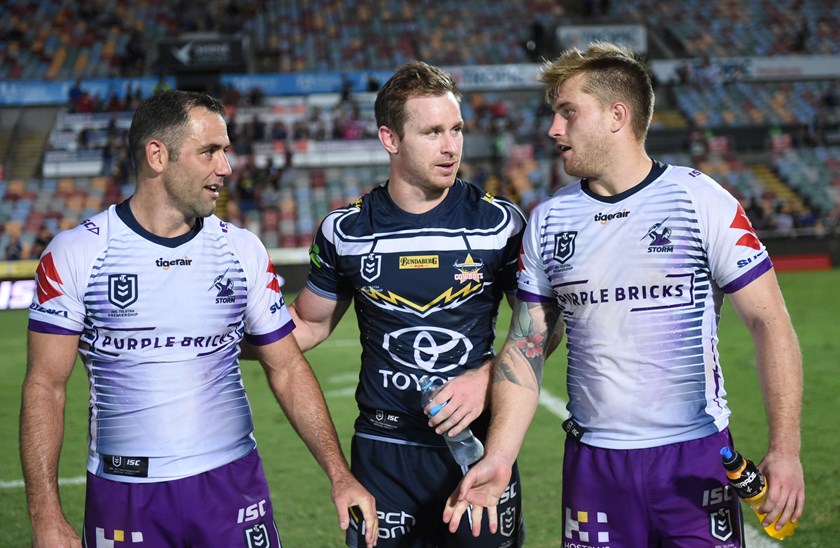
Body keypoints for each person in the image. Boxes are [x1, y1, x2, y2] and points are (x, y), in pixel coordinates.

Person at [444, 42, 805, 546]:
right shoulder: (548, 221)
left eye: (568, 112)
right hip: (595, 467)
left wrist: (784, 448)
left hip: (694, 458)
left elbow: (771, 323)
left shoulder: (701, 200)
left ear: (617, 115)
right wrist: (500, 456)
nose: (553, 129)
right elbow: (527, 346)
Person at [20, 89, 377, 548]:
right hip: (124, 492)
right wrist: (46, 515)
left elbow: (286, 368)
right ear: (157, 155)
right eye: (209, 151)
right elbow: (44, 386)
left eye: (226, 151)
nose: (226, 168)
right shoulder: (78, 253)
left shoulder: (241, 249)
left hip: (233, 483)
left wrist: (339, 474)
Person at [289, 61, 528, 547]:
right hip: (383, 452)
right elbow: (306, 326)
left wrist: (485, 378)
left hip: (477, 445)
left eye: (456, 129)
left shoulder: (499, 224)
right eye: (433, 131)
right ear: (390, 139)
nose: (451, 145)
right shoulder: (346, 231)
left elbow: (541, 329)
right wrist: (213, 336)